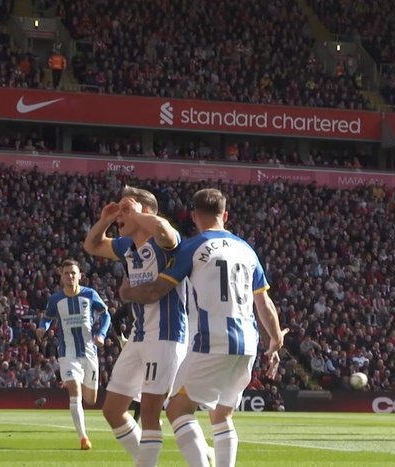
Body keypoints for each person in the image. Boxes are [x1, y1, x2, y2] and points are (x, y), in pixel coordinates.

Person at [120, 188, 287, 467]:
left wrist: (127, 293)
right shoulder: (247, 250)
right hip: (247, 344)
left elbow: (155, 292)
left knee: (177, 410)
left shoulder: (193, 247)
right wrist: (275, 339)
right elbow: (264, 303)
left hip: (211, 340)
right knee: (221, 416)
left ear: (195, 216)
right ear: (226, 215)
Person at [83, 187, 186, 465]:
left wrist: (139, 213)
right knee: (113, 410)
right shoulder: (126, 247)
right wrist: (105, 219)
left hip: (166, 336)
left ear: (147, 212)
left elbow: (166, 230)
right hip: (139, 337)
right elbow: (91, 245)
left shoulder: (164, 241)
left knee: (151, 412)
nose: (121, 217)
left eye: (126, 209)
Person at [37, 259, 111, 450]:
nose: (70, 276)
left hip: (89, 352)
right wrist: (41, 328)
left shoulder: (90, 294)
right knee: (74, 390)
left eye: (73, 273)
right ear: (61, 276)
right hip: (67, 352)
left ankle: (78, 402)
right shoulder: (56, 299)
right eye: (66, 273)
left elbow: (106, 315)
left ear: (80, 275)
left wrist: (101, 334)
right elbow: (47, 317)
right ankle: (83, 437)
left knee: (91, 400)